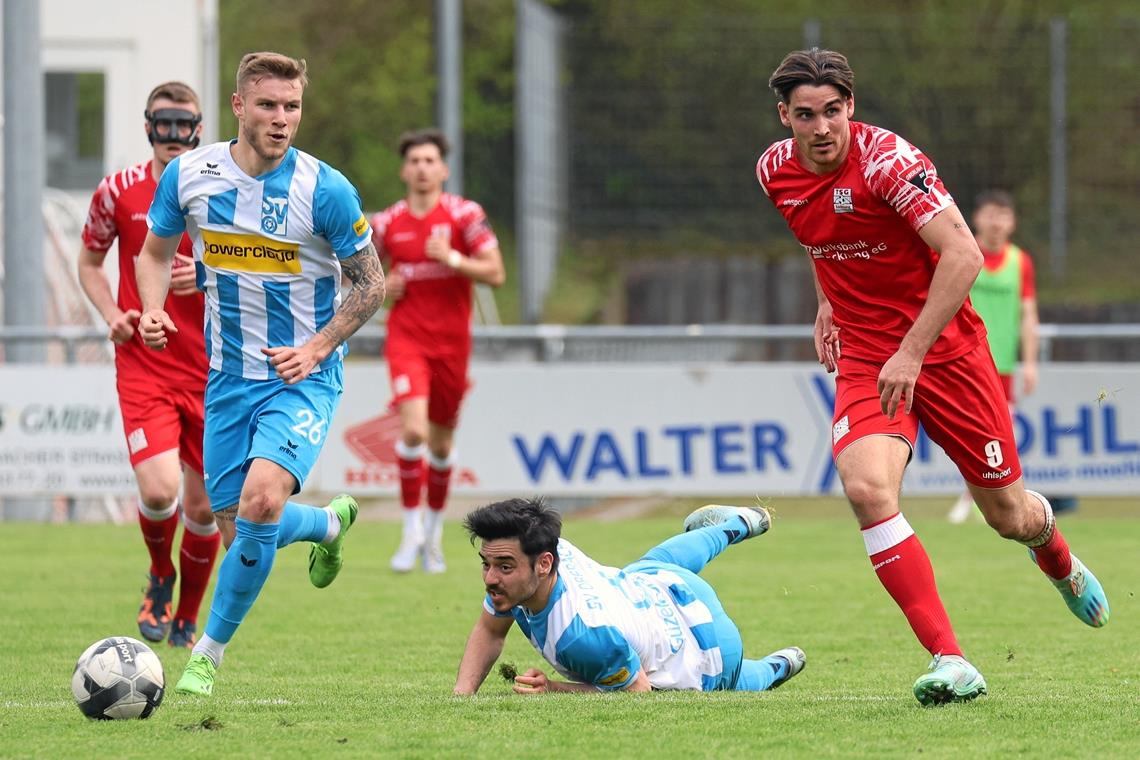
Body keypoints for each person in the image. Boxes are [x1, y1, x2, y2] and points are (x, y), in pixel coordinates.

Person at [755, 48, 1110, 706]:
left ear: (851, 108)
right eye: (806, 115)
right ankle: (951, 659)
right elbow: (819, 237)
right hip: (866, 355)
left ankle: (1056, 557)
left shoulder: (892, 162)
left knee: (1010, 515)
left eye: (834, 111)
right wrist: (830, 302)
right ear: (786, 117)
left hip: (946, 354)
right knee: (865, 488)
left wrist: (912, 351)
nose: (822, 127)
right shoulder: (774, 171)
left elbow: (963, 254)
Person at [136, 51, 386, 697]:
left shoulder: (325, 188)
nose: (282, 120)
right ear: (239, 106)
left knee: (261, 501)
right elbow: (155, 251)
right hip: (227, 378)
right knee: (232, 515)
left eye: (293, 107)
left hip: (302, 375)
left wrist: (319, 345)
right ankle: (328, 525)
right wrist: (155, 310)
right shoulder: (192, 174)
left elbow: (370, 283)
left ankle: (207, 656)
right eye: (269, 105)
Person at [77, 81, 220, 649]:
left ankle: (188, 614)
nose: (173, 135)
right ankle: (161, 575)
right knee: (161, 492)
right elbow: (90, 261)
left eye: (183, 124)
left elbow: (257, 264)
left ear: (199, 129)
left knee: (205, 504)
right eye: (163, 123)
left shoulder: (223, 191)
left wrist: (205, 274)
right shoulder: (117, 190)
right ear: (147, 128)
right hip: (146, 360)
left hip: (214, 365)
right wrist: (112, 311)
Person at [453, 499, 806, 695]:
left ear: (544, 564)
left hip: (713, 648)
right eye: (485, 564)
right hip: (661, 587)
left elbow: (637, 694)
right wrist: (461, 697)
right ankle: (738, 524)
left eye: (503, 567)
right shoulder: (548, 552)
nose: (490, 578)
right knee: (649, 565)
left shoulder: (580, 635)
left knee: (713, 683)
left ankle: (773, 669)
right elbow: (490, 630)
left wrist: (554, 688)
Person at [370, 128, 505, 574]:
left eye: (431, 161)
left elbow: (496, 272)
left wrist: (452, 259)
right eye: (415, 161)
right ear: (404, 170)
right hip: (407, 338)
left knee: (443, 445)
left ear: (443, 169)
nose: (423, 168)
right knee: (414, 433)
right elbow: (360, 273)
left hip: (452, 345)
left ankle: (434, 534)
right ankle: (410, 532)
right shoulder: (389, 222)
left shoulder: (465, 215)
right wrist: (381, 287)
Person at [946, 191, 1078, 522]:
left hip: (1002, 365)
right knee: (965, 432)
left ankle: (978, 500)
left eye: (1003, 216)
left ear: (1012, 223)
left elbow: (1028, 314)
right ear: (976, 218)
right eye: (990, 214)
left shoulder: (1020, 261)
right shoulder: (961, 251)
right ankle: (973, 498)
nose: (996, 222)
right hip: (961, 358)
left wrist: (1030, 363)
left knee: (997, 436)